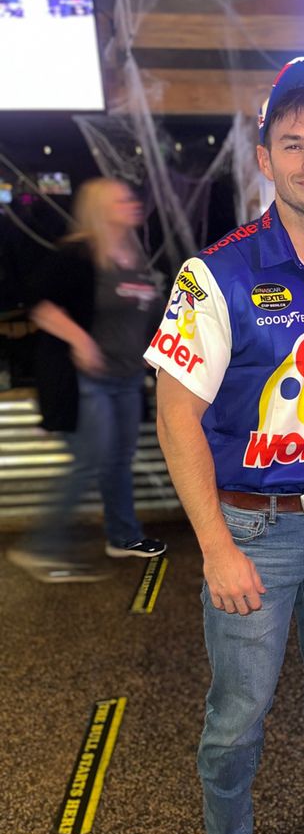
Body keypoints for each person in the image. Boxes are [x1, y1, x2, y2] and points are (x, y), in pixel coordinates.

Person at [144, 58, 304, 834]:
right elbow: (175, 417)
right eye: (294, 144)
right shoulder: (215, 274)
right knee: (238, 713)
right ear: (265, 155)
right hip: (251, 529)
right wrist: (214, 546)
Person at [7, 178, 166, 583]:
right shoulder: (76, 253)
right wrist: (81, 340)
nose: (131, 203)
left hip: (127, 378)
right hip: (87, 380)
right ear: (98, 207)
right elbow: (39, 306)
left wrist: (155, 354)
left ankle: (123, 537)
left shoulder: (134, 255)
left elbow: (146, 314)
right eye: (120, 199)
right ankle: (40, 548)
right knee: (89, 463)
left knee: (116, 462)